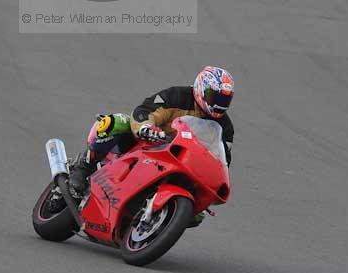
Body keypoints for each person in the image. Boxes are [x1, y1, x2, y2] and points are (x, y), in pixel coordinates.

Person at [68, 66, 235, 200]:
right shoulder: (177, 95)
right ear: (201, 88)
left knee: (197, 208)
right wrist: (146, 127)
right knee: (116, 122)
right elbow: (146, 110)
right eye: (215, 97)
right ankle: (83, 167)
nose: (219, 104)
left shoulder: (225, 127)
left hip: (181, 160)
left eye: (224, 100)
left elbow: (222, 159)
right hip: (151, 141)